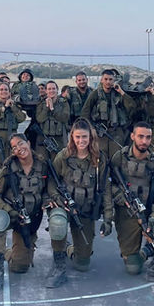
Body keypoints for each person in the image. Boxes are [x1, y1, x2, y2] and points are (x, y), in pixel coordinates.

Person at [109, 122, 154, 285]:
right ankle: (146, 251)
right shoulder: (119, 157)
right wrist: (122, 198)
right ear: (132, 136)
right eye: (140, 136)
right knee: (133, 267)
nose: (144, 141)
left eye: (148, 137)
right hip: (127, 215)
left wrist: (153, 218)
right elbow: (109, 184)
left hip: (150, 211)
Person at [44, 119, 114, 287]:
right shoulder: (63, 156)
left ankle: (69, 248)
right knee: (58, 223)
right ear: (72, 137)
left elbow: (105, 189)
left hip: (86, 210)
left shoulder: (99, 160)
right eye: (77, 137)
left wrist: (108, 219)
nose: (81, 141)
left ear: (91, 138)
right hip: (64, 206)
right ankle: (59, 264)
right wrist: (58, 199)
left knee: (82, 264)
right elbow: (51, 182)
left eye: (84, 137)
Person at [0, 133, 48, 291]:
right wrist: (9, 210)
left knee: (20, 267)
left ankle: (3, 252)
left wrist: (46, 201)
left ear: (28, 143)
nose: (19, 148)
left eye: (21, 143)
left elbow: (49, 191)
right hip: (10, 215)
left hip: (28, 220)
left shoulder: (43, 166)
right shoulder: (8, 169)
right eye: (14, 147)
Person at [81, 69, 137, 158]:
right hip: (100, 133)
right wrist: (92, 129)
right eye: (106, 79)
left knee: (117, 157)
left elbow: (132, 107)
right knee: (100, 158)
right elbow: (85, 112)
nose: (108, 82)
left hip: (116, 132)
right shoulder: (95, 94)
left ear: (114, 80)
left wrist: (121, 92)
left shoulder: (118, 93)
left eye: (110, 79)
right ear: (101, 80)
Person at [33, 80, 70, 158]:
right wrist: (47, 107)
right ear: (46, 91)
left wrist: (53, 109)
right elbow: (39, 119)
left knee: (58, 161)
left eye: (53, 88)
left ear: (57, 90)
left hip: (59, 138)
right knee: (42, 161)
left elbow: (65, 118)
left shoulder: (63, 102)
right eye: (49, 89)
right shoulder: (41, 103)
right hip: (43, 138)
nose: (51, 91)